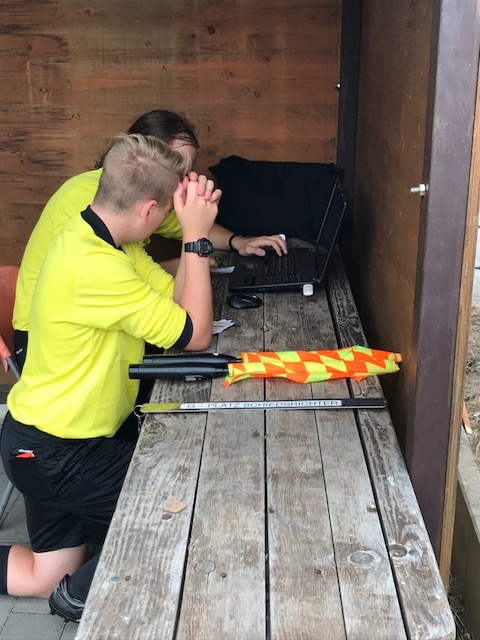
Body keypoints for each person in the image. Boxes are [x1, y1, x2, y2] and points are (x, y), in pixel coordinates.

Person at [0, 133, 221, 623]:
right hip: (57, 453)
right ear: (148, 210)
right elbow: (196, 334)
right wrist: (196, 238)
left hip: (37, 440)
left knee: (41, 576)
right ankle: (80, 599)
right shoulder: (97, 268)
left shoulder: (94, 235)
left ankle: (64, 587)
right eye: (166, 212)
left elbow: (177, 302)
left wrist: (191, 238)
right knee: (187, 503)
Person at [13, 108, 287, 367]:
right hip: (43, 343)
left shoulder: (116, 220)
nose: (182, 183)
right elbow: (196, 335)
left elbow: (176, 284)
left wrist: (230, 239)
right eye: (176, 170)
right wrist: (194, 242)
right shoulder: (95, 238)